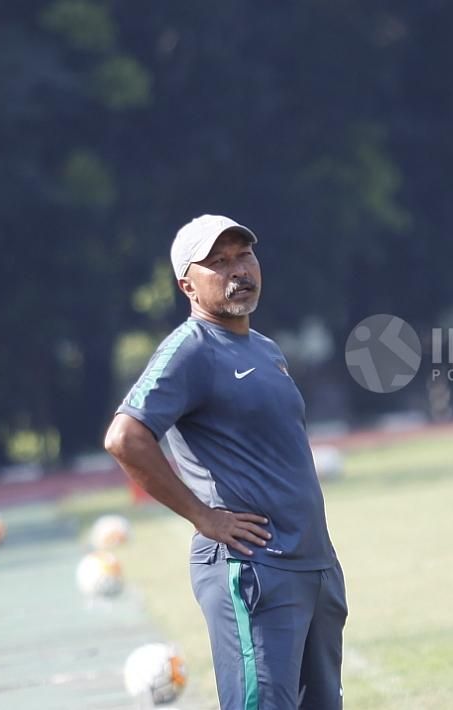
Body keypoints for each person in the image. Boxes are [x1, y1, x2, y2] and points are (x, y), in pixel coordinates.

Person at [103, 215, 347, 710]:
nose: (238, 270)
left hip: (313, 567)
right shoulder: (189, 350)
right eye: (218, 262)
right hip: (253, 570)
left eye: (243, 256)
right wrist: (203, 516)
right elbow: (125, 438)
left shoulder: (266, 349)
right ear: (187, 284)